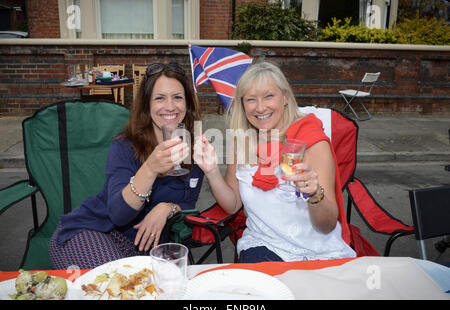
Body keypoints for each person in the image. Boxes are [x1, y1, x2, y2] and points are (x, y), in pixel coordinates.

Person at [194, 61, 356, 263]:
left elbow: (327, 225)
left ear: (285, 98)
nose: (260, 108)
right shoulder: (241, 141)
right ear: (243, 105)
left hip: (318, 251)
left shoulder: (312, 142)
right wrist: (212, 172)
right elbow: (233, 205)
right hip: (263, 246)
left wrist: (315, 194)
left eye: (269, 96)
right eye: (251, 99)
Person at [49, 62, 204, 269]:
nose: (170, 106)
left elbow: (189, 204)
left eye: (177, 97)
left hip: (143, 249)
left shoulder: (194, 150)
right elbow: (119, 215)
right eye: (160, 98)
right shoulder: (125, 146)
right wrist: (149, 168)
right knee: (117, 284)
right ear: (147, 104)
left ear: (187, 104)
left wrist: (167, 208)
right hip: (95, 229)